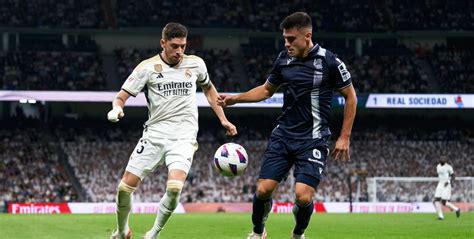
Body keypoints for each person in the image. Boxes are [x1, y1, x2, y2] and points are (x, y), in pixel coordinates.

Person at [218, 12, 357, 239]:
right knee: (263, 190)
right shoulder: (283, 59)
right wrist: (236, 98)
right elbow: (265, 90)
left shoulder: (329, 61)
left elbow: (351, 96)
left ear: (307, 36)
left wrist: (345, 136)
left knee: (303, 196)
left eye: (291, 39)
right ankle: (258, 232)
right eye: (285, 38)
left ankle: (298, 233)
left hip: (314, 138)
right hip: (283, 135)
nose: (286, 43)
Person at [107, 22, 237, 239]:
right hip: (154, 135)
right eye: (174, 46)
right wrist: (117, 109)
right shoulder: (146, 68)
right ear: (163, 43)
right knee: (124, 188)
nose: (179, 51)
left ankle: (153, 233)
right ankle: (122, 232)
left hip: (184, 137)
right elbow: (121, 96)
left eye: (183, 46)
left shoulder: (196, 64)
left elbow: (209, 89)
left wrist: (223, 119)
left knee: (175, 188)